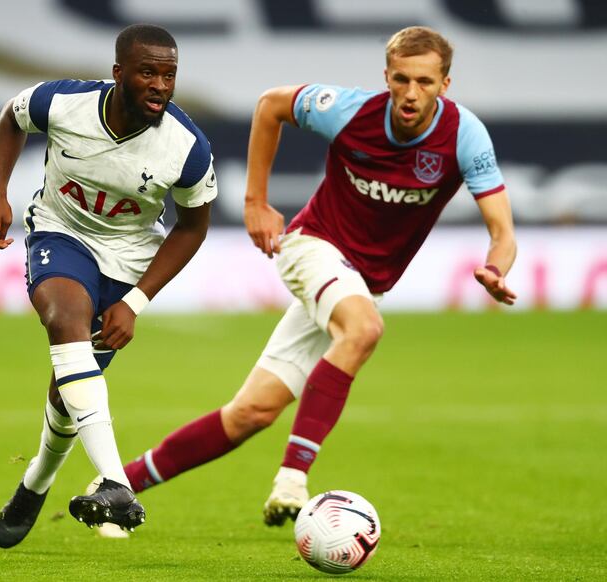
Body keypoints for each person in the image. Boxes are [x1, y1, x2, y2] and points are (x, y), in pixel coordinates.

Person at [109, 25, 517, 536]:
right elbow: (271, 105)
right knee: (364, 331)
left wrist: (496, 269)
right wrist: (256, 201)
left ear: (445, 84)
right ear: (386, 77)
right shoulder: (348, 110)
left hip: (360, 282)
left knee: (250, 413)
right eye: (401, 79)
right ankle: (292, 481)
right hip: (312, 246)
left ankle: (114, 487)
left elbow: (503, 232)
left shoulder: (465, 136)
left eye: (425, 82)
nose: (411, 94)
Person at [0, 23, 217, 548]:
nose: (161, 85)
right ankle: (117, 481)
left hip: (129, 260)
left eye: (170, 75)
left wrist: (135, 300)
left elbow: (194, 227)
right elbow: (11, 118)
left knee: (70, 390)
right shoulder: (63, 103)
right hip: (61, 233)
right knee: (64, 321)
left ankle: (34, 482)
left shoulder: (187, 149)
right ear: (118, 74)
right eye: (148, 72)